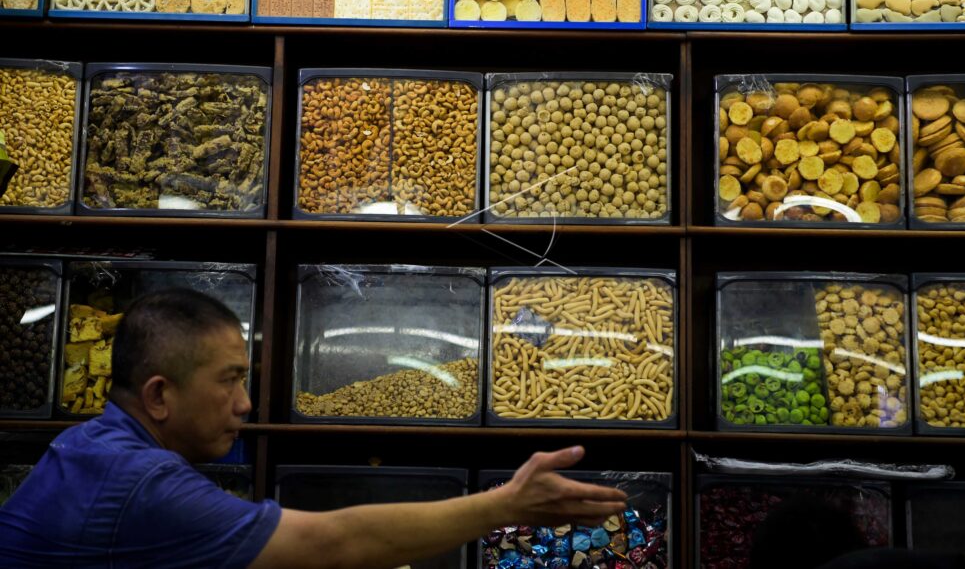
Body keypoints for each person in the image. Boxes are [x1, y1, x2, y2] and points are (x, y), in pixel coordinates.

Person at [0, 289, 627, 568]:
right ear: (160, 396)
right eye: (229, 380)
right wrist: (506, 504)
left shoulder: (86, 446)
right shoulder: (141, 484)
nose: (246, 404)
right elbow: (336, 543)